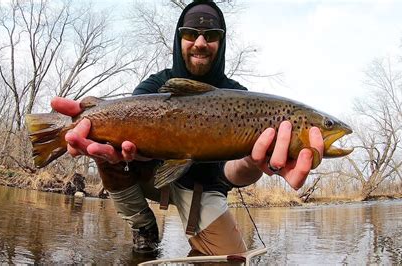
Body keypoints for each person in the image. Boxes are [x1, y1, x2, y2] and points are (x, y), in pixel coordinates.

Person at [51, 0, 324, 256]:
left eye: (211, 34)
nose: (201, 42)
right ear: (179, 38)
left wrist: (254, 163)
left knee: (234, 261)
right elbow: (124, 140)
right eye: (191, 33)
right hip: (151, 173)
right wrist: (115, 135)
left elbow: (229, 173)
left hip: (203, 189)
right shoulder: (153, 87)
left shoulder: (240, 97)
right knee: (104, 147)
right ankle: (143, 226)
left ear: (222, 41)